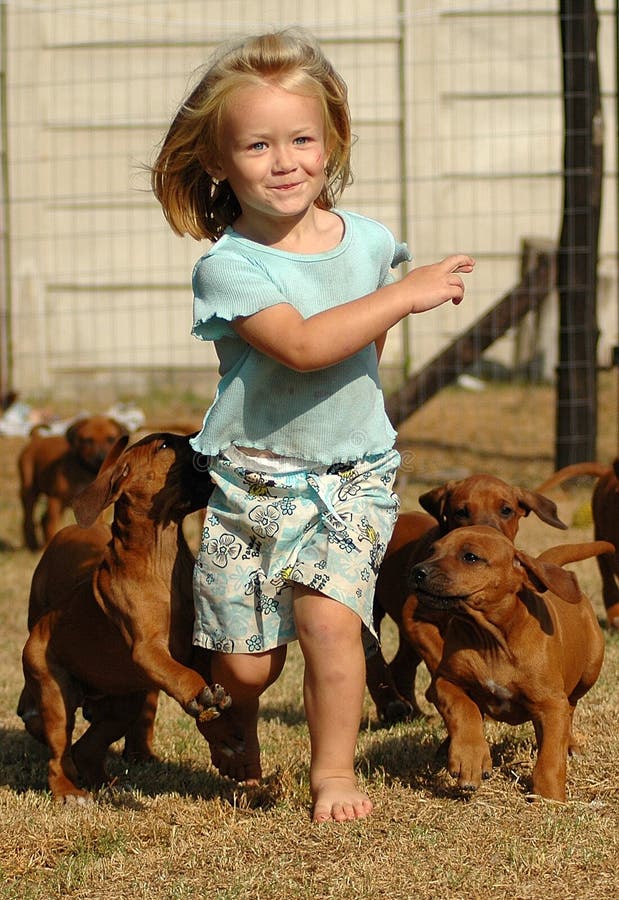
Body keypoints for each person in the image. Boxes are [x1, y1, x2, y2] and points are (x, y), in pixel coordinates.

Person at [151, 27, 474, 823]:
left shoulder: (365, 240)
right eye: (257, 145)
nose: (284, 160)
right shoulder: (229, 265)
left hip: (353, 476)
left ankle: (333, 774)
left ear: (333, 141)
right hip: (254, 477)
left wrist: (380, 335)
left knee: (331, 623)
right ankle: (240, 740)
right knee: (247, 667)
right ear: (219, 162)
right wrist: (405, 294)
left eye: (301, 138)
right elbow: (300, 348)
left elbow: (364, 342)